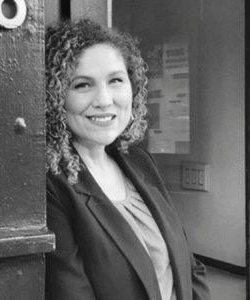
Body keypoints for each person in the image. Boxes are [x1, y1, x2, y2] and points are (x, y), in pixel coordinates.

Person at [45, 19, 211, 300]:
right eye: (83, 84)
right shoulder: (51, 184)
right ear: (54, 96)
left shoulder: (138, 160)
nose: (105, 99)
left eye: (115, 80)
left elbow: (191, 269)